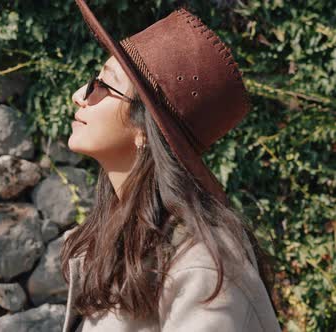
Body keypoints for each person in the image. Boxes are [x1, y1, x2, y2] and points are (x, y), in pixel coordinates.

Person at [60, 2, 282, 331]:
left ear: (144, 130)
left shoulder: (205, 267)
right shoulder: (111, 240)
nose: (82, 94)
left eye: (104, 86)